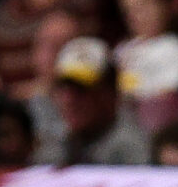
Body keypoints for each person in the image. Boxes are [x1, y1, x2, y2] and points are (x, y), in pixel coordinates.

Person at [32, 37, 152, 166]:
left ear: (111, 92)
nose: (68, 99)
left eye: (80, 89)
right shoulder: (57, 142)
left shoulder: (131, 150)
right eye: (63, 88)